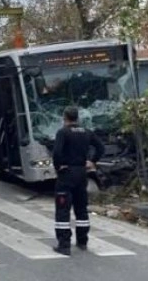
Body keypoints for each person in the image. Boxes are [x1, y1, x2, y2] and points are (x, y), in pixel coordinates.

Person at [50, 106, 104, 256]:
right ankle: (82, 241)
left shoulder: (63, 132)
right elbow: (100, 148)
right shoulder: (87, 132)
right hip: (81, 173)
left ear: (65, 117)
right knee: (81, 208)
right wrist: (92, 161)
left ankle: (64, 245)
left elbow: (57, 152)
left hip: (67, 174)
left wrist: (58, 167)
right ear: (77, 118)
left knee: (62, 209)